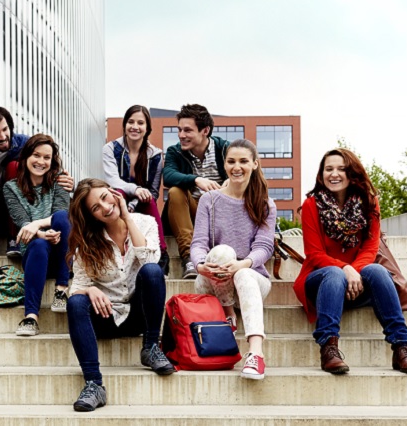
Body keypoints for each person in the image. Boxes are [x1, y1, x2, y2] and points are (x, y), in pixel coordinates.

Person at [293, 148, 407, 375]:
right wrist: (345, 268)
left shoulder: (369, 203)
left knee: (378, 271)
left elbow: (371, 248)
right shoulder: (312, 205)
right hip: (321, 281)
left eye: (341, 169)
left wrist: (353, 270)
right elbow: (314, 254)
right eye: (328, 169)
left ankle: (402, 346)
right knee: (334, 274)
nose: (334, 174)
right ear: (321, 174)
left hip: (358, 283)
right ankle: (329, 348)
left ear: (352, 172)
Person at [66, 178, 175, 413]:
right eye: (96, 207)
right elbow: (75, 288)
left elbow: (150, 261)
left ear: (114, 193)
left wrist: (126, 216)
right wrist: (90, 289)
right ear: (91, 216)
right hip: (106, 317)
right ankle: (94, 384)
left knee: (152, 271)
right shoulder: (87, 242)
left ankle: (150, 347)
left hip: (139, 314)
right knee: (76, 302)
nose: (105, 207)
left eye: (105, 197)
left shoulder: (145, 222)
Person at [190, 139, 276, 380]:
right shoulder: (209, 200)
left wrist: (243, 264)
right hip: (212, 280)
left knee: (243, 272)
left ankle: (255, 353)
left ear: (255, 164)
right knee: (223, 251)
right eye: (231, 161)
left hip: (252, 280)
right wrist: (200, 266)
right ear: (224, 165)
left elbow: (264, 246)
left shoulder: (265, 204)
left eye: (243, 161)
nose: (236, 167)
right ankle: (228, 313)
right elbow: (198, 244)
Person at [0, 105, 74, 258]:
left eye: (5, 129)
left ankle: (14, 238)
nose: (4, 136)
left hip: (19, 213)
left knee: (15, 166)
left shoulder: (23, 143)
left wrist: (66, 182)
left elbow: (46, 165)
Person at [2, 134, 71, 336]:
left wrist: (37, 224)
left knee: (60, 216)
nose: (41, 162)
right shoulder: (11, 188)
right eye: (36, 155)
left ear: (53, 160)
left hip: (62, 252)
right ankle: (31, 317)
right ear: (25, 157)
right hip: (34, 252)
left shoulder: (60, 181)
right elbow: (22, 224)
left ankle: (61, 289)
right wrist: (40, 235)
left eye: (47, 157)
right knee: (40, 246)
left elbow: (61, 212)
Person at [162, 104, 229, 279]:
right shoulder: (174, 151)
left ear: (205, 130)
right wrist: (196, 180)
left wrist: (231, 182)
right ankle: (188, 259)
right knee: (175, 191)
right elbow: (167, 176)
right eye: (179, 130)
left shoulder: (224, 149)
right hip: (191, 213)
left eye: (187, 130)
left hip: (220, 213)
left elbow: (248, 173)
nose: (181, 135)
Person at [102, 105, 169, 273]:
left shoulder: (155, 155)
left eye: (140, 123)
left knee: (149, 199)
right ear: (124, 125)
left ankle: (162, 252)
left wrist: (133, 203)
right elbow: (113, 180)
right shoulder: (110, 149)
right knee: (120, 192)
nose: (135, 127)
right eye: (130, 122)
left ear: (147, 128)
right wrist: (135, 189)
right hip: (117, 198)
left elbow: (153, 192)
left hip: (141, 203)